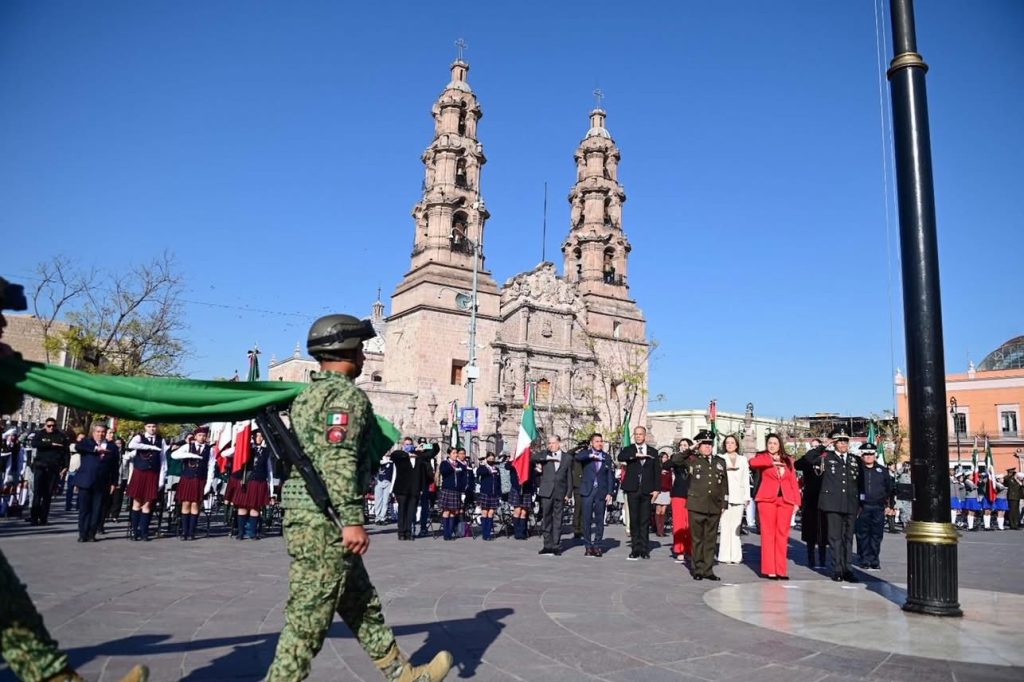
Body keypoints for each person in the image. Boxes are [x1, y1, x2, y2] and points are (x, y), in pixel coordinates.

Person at [266, 313, 451, 681]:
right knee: (308, 618)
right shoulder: (344, 397)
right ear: (348, 349)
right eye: (362, 347)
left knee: (362, 604)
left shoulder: (307, 395)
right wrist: (351, 520)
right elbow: (339, 460)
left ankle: (402, 674)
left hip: (310, 512)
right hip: (325, 519)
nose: (365, 354)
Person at [808, 430, 860, 582]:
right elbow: (808, 459)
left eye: (845, 441)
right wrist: (823, 445)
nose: (843, 444)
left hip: (850, 503)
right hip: (833, 504)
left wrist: (860, 503)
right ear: (835, 443)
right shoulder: (826, 457)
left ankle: (848, 569)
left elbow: (860, 483)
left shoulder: (854, 459)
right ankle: (837, 569)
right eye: (840, 441)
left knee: (848, 538)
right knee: (835, 538)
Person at [749, 433, 800, 579]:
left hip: (785, 501)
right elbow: (752, 463)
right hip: (767, 500)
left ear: (780, 445)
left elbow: (793, 482)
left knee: (782, 535)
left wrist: (797, 501)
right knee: (768, 534)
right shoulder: (763, 458)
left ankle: (781, 570)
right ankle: (770, 569)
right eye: (770, 443)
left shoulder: (788, 460)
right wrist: (771, 462)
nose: (772, 445)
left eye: (775, 443)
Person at [685, 429, 728, 581]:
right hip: (697, 505)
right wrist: (691, 448)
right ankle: (697, 569)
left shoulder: (720, 462)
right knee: (697, 539)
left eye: (710, 444)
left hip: (714, 506)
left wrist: (724, 504)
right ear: (699, 446)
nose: (708, 447)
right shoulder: (692, 459)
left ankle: (708, 570)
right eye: (704, 444)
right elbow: (675, 459)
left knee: (710, 539)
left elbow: (724, 485)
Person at [618, 426, 659, 560]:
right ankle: (636, 548)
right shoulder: (629, 449)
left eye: (640, 434)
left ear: (645, 436)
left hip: (647, 489)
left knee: (645, 520)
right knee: (634, 520)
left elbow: (657, 471)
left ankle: (644, 548)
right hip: (633, 489)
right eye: (636, 434)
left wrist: (657, 489)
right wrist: (635, 455)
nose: (638, 436)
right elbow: (620, 457)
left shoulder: (653, 451)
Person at [74, 423, 120, 543]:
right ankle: (82, 533)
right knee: (84, 509)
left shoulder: (112, 447)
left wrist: (114, 482)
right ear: (93, 432)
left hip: (102, 482)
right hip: (86, 480)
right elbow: (78, 447)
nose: (100, 434)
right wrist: (96, 449)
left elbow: (115, 466)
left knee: (97, 509)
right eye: (98, 432)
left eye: (103, 432)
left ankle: (91, 533)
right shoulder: (87, 443)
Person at [854, 443, 894, 570]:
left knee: (876, 535)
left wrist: (889, 506)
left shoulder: (882, 471)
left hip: (878, 507)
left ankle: (874, 559)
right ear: (862, 455)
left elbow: (890, 489)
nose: (868, 457)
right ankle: (865, 559)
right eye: (866, 454)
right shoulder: (857, 470)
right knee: (862, 534)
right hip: (862, 507)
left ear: (875, 455)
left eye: (871, 454)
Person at [171, 426, 215, 541]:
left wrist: (208, 484)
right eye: (200, 435)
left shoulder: (209, 449)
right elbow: (174, 455)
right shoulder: (188, 446)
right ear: (195, 437)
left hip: (200, 479)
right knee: (185, 504)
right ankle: (184, 531)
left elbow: (211, 467)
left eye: (204, 436)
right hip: (187, 478)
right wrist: (190, 455)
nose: (202, 438)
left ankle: (191, 531)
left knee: (195, 505)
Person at [231, 429, 276, 540]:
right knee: (243, 507)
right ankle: (241, 532)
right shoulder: (247, 449)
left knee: (255, 508)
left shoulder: (266, 451)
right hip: (247, 481)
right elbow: (227, 454)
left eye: (261, 436)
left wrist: (271, 489)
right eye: (257, 436)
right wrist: (241, 446)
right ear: (252, 437)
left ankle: (252, 533)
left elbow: (269, 470)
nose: (259, 438)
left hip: (259, 482)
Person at [532, 435, 573, 555]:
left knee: (558, 519)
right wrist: (547, 457)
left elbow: (569, 476)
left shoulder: (567, 458)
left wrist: (569, 493)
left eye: (553, 443)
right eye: (549, 443)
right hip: (546, 491)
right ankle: (547, 545)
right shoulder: (545, 455)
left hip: (560, 492)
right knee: (546, 518)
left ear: (559, 443)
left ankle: (556, 545)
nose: (551, 445)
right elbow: (533, 458)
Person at [126, 423, 167, 541]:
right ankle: (135, 530)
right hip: (140, 473)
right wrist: (150, 447)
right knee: (137, 502)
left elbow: (163, 460)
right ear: (145, 427)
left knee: (147, 504)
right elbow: (131, 445)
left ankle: (144, 531)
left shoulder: (161, 440)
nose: (152, 429)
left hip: (153, 474)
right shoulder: (139, 438)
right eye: (149, 426)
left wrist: (161, 479)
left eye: (154, 426)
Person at [575, 433, 614, 557]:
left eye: (601, 441)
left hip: (601, 492)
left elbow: (610, 476)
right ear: (592, 443)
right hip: (587, 491)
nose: (599, 443)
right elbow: (577, 457)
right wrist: (590, 454)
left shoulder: (606, 457)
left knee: (599, 520)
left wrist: (610, 492)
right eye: (597, 441)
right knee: (586, 520)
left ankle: (597, 545)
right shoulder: (586, 455)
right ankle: (587, 545)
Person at [27, 417, 70, 526]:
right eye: (49, 426)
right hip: (40, 467)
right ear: (45, 425)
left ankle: (43, 518)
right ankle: (34, 518)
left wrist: (65, 466)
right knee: (37, 493)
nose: (51, 428)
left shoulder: (61, 436)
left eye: (53, 426)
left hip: (53, 468)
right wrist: (51, 444)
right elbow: (35, 444)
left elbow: (66, 452)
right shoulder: (40, 434)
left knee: (48, 495)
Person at [717, 434, 750, 565]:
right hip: (725, 496)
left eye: (732, 443)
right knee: (725, 526)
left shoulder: (742, 460)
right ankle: (724, 555)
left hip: (739, 496)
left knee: (736, 527)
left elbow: (746, 479)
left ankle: (736, 556)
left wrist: (747, 497)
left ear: (736, 445)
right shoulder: (720, 458)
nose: (729, 445)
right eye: (727, 443)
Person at [795, 440, 827, 568]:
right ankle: (811, 559)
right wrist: (815, 451)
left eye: (817, 446)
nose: (815, 449)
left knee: (823, 532)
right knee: (810, 533)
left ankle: (823, 559)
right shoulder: (807, 460)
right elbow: (797, 464)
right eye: (813, 447)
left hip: (824, 499)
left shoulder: (827, 458)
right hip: (810, 500)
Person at [390, 439, 430, 541]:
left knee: (411, 512)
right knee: (402, 510)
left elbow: (434, 450)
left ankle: (409, 532)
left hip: (414, 489)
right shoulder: (401, 456)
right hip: (401, 488)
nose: (409, 446)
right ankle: (401, 532)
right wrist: (407, 454)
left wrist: (425, 446)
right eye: (406, 444)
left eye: (410, 444)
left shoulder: (418, 456)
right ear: (403, 445)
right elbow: (394, 455)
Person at [664, 438, 693, 564]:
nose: (683, 447)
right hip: (678, 493)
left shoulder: (695, 459)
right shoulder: (676, 458)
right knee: (679, 523)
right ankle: (679, 550)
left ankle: (690, 549)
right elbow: (665, 465)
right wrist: (682, 453)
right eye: (681, 445)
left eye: (685, 445)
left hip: (693, 494)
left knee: (690, 524)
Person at [437, 447, 466, 541]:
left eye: (456, 453)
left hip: (456, 491)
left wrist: (462, 490)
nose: (456, 455)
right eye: (454, 453)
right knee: (446, 511)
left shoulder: (459, 464)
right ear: (449, 454)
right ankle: (446, 534)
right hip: (447, 489)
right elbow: (443, 471)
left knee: (453, 512)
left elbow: (463, 474)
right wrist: (453, 468)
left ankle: (450, 532)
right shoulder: (445, 463)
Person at [506, 452, 534, 541]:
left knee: (524, 512)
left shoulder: (529, 463)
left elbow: (533, 476)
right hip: (516, 489)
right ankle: (517, 532)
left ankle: (522, 532)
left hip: (526, 489)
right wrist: (512, 459)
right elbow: (507, 466)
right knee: (517, 511)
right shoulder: (515, 463)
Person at [475, 451, 502, 540]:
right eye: (489, 458)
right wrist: (485, 467)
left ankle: (488, 532)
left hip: (494, 494)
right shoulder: (483, 468)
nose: (491, 460)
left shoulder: (496, 469)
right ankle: (485, 533)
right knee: (485, 513)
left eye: (492, 458)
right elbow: (479, 473)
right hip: (485, 493)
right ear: (486, 459)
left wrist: (499, 494)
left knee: (491, 513)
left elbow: (499, 482)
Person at [371, 449, 394, 525]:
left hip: (388, 482)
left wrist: (392, 487)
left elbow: (394, 475)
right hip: (379, 482)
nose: (386, 452)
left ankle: (383, 517)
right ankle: (377, 518)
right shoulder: (378, 460)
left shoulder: (392, 462)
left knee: (385, 501)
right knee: (378, 501)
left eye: (388, 451)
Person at [653, 451, 672, 538]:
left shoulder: (669, 469)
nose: (665, 459)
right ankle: (658, 529)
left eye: (666, 457)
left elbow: (671, 481)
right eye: (664, 457)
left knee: (663, 512)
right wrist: (660, 472)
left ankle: (662, 529)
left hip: (666, 491)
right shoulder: (657, 468)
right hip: (659, 491)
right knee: (658, 511)